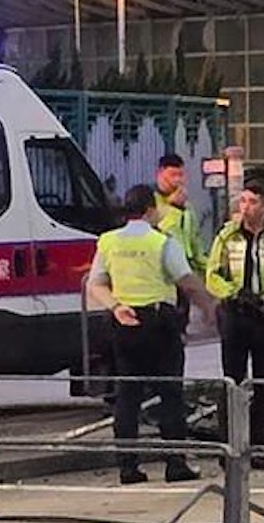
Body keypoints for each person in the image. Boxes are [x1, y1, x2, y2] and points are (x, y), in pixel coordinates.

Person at [87, 185, 210, 485]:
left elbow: (96, 283)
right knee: (170, 394)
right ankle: (175, 464)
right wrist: (209, 307)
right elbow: (187, 281)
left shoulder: (108, 242)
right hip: (159, 322)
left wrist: (116, 307)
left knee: (127, 396)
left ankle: (128, 467)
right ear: (150, 209)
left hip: (124, 323)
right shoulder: (161, 242)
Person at [205, 178, 264, 455]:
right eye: (243, 200)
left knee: (262, 384)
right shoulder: (227, 235)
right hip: (235, 315)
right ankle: (231, 446)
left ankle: (256, 448)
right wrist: (233, 292)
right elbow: (212, 274)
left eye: (253, 202)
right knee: (232, 383)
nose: (246, 207)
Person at [153, 153, 195, 256]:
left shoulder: (187, 206)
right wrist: (174, 208)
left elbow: (194, 239)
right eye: (173, 175)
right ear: (159, 174)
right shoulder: (151, 202)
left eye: (180, 175)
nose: (177, 180)